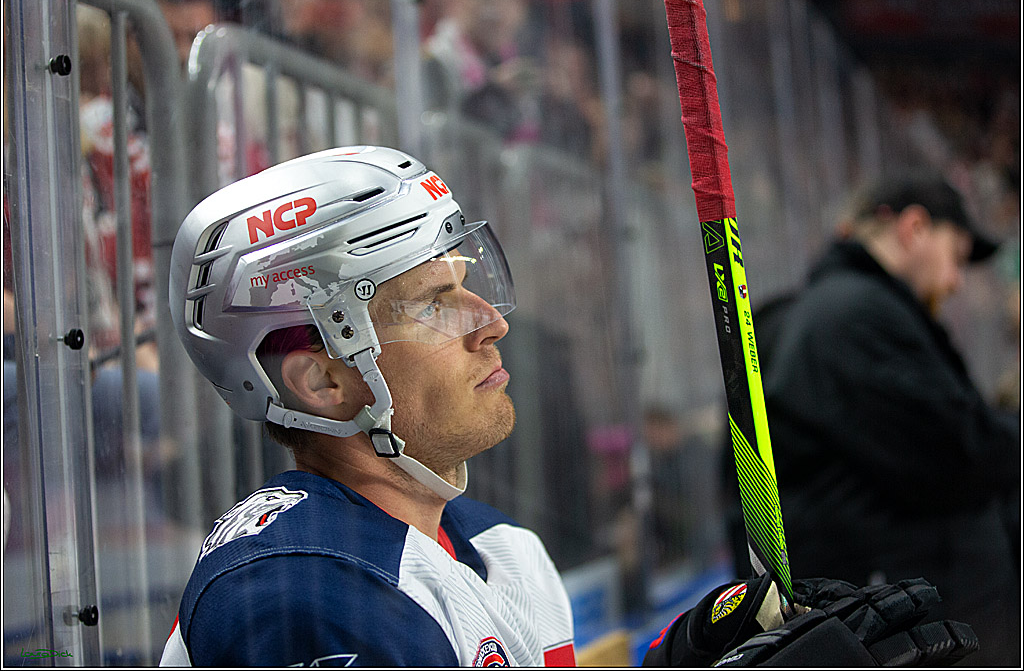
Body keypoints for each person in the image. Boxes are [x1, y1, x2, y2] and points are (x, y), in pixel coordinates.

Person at [159, 147, 979, 667]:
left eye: (469, 284)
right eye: (433, 304)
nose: (491, 322)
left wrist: (690, 652)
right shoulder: (306, 592)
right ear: (323, 382)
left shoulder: (491, 546)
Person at [751, 172, 1020, 666]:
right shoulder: (854, 315)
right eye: (956, 258)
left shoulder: (851, 308)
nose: (956, 282)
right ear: (914, 228)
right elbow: (957, 453)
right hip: (900, 624)